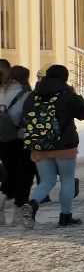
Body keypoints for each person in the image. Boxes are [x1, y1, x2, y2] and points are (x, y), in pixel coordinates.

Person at [21, 64, 84, 227]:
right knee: (67, 180)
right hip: (64, 146)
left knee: (47, 181)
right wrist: (75, 95)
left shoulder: (33, 96)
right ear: (65, 78)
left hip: (39, 145)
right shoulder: (67, 94)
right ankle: (65, 216)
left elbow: (25, 116)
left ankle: (32, 205)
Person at [0, 64, 31, 224]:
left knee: (10, 171)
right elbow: (28, 118)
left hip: (2, 139)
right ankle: (18, 214)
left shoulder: (2, 91)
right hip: (20, 139)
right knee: (23, 175)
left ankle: (2, 196)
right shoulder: (26, 94)